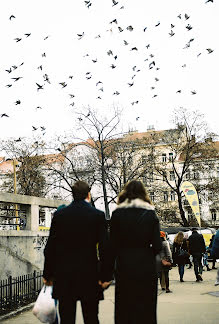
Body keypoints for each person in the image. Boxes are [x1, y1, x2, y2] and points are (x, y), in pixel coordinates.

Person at [43, 180, 112, 324]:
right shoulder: (97, 215)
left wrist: (48, 274)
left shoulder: (60, 216)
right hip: (89, 274)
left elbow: (50, 248)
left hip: (64, 275)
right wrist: (106, 276)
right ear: (88, 195)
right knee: (91, 317)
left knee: (67, 318)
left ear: (73, 195)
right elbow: (105, 248)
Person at [109, 180, 162, 324]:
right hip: (146, 266)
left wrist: (106, 273)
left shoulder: (117, 214)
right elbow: (157, 245)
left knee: (124, 306)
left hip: (124, 265)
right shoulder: (150, 214)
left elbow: (111, 246)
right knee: (146, 307)